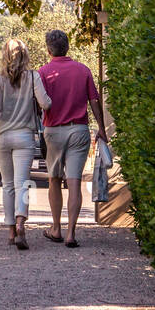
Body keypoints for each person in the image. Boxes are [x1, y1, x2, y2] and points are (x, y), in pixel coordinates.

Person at [37, 29, 106, 248]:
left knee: (54, 180)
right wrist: (102, 128)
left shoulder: (43, 72)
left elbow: (39, 103)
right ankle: (70, 234)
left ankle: (55, 228)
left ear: (49, 50)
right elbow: (94, 101)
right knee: (74, 182)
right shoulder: (83, 70)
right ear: (68, 47)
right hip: (79, 130)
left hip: (53, 131)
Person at [0, 37, 51, 249]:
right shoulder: (33, 77)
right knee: (22, 183)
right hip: (24, 136)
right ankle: (22, 222)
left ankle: (11, 231)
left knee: (7, 184)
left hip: (1, 136)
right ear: (25, 55)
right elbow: (46, 103)